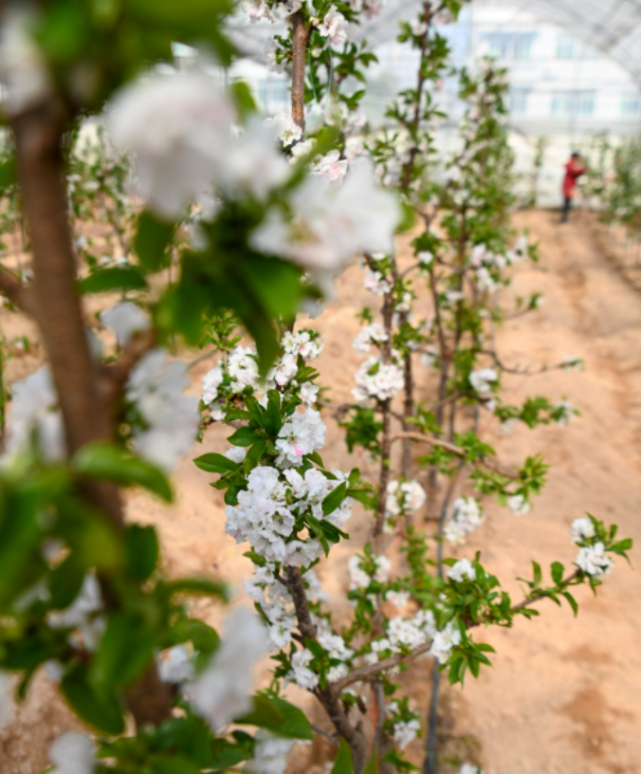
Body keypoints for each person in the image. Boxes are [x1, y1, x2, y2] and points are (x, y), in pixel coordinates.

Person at [561, 152, 586, 223]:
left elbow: (576, 173)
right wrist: (583, 169)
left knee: (568, 201)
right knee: (567, 201)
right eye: (578, 158)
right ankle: (564, 218)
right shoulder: (570, 164)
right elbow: (574, 171)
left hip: (571, 185)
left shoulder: (573, 164)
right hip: (569, 185)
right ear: (574, 157)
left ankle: (565, 217)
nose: (578, 159)